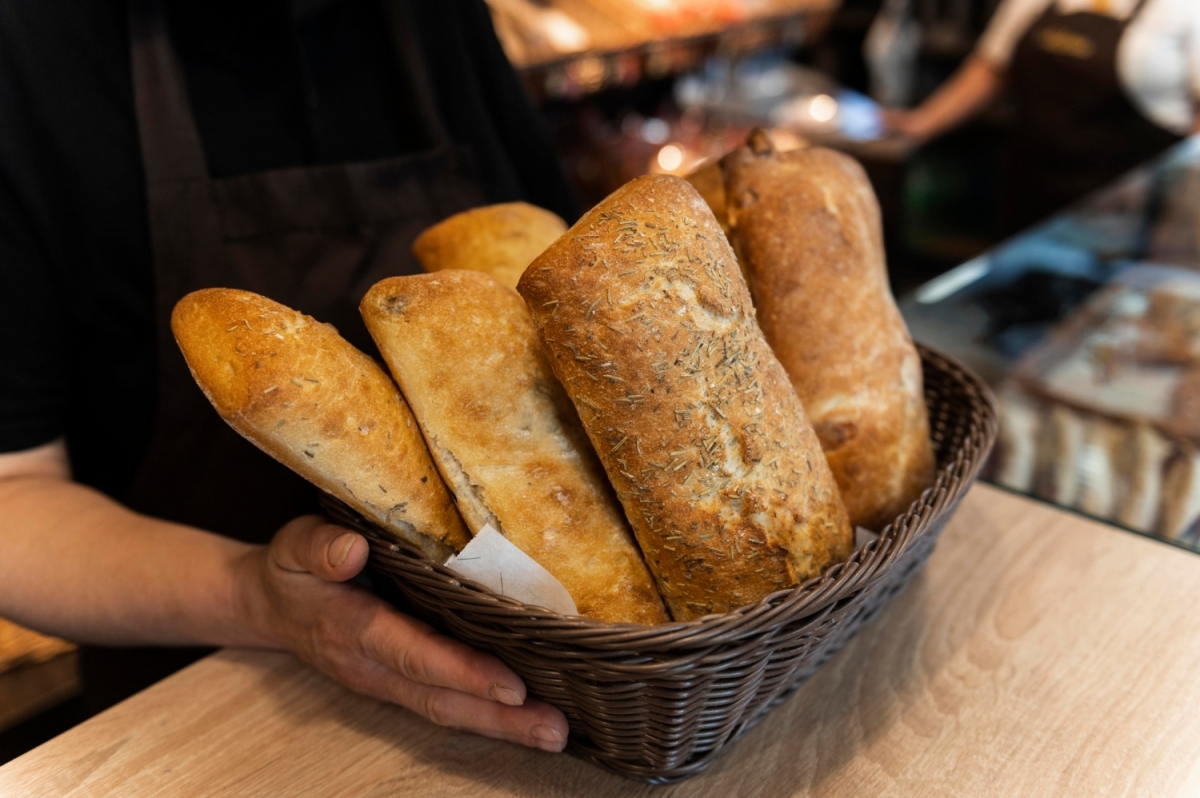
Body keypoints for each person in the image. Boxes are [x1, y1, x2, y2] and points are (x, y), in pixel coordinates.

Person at [0, 0, 576, 752]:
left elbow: (558, 300)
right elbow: (12, 496)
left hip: (543, 682)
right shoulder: (34, 48)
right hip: (209, 706)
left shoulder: (439, 19)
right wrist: (253, 598)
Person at [884, 0, 1200, 229]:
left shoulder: (1184, 8)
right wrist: (922, 123)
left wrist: (1182, 214)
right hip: (1031, 191)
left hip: (1129, 214)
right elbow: (991, 66)